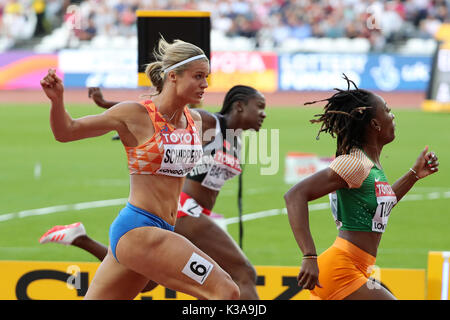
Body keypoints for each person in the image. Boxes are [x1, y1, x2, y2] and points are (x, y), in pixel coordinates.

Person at [40, 37, 241, 300]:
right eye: (198, 76)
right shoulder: (135, 115)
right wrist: (57, 100)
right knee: (226, 291)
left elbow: (235, 123)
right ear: (173, 76)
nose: (205, 84)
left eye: (207, 77)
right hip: (138, 228)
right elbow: (67, 132)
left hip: (161, 230)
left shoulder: (196, 121)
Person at [284, 75, 439, 300]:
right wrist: (309, 255)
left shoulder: (369, 164)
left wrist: (414, 175)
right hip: (340, 269)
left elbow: (381, 208)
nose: (393, 115)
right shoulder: (355, 163)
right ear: (375, 125)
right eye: (387, 110)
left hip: (356, 267)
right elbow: (295, 195)